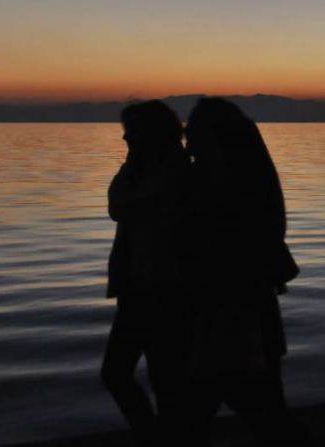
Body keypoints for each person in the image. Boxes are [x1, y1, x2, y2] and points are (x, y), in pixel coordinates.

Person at [182, 97, 298, 445]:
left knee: (227, 395)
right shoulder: (256, 181)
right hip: (253, 299)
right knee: (264, 400)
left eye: (192, 134)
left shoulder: (213, 185)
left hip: (230, 304)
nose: (187, 142)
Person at [101, 100, 192, 445]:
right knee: (158, 377)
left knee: (140, 375)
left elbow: (118, 205)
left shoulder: (171, 171)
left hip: (161, 289)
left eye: (131, 133)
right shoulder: (153, 168)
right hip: (142, 286)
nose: (125, 140)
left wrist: (132, 160)